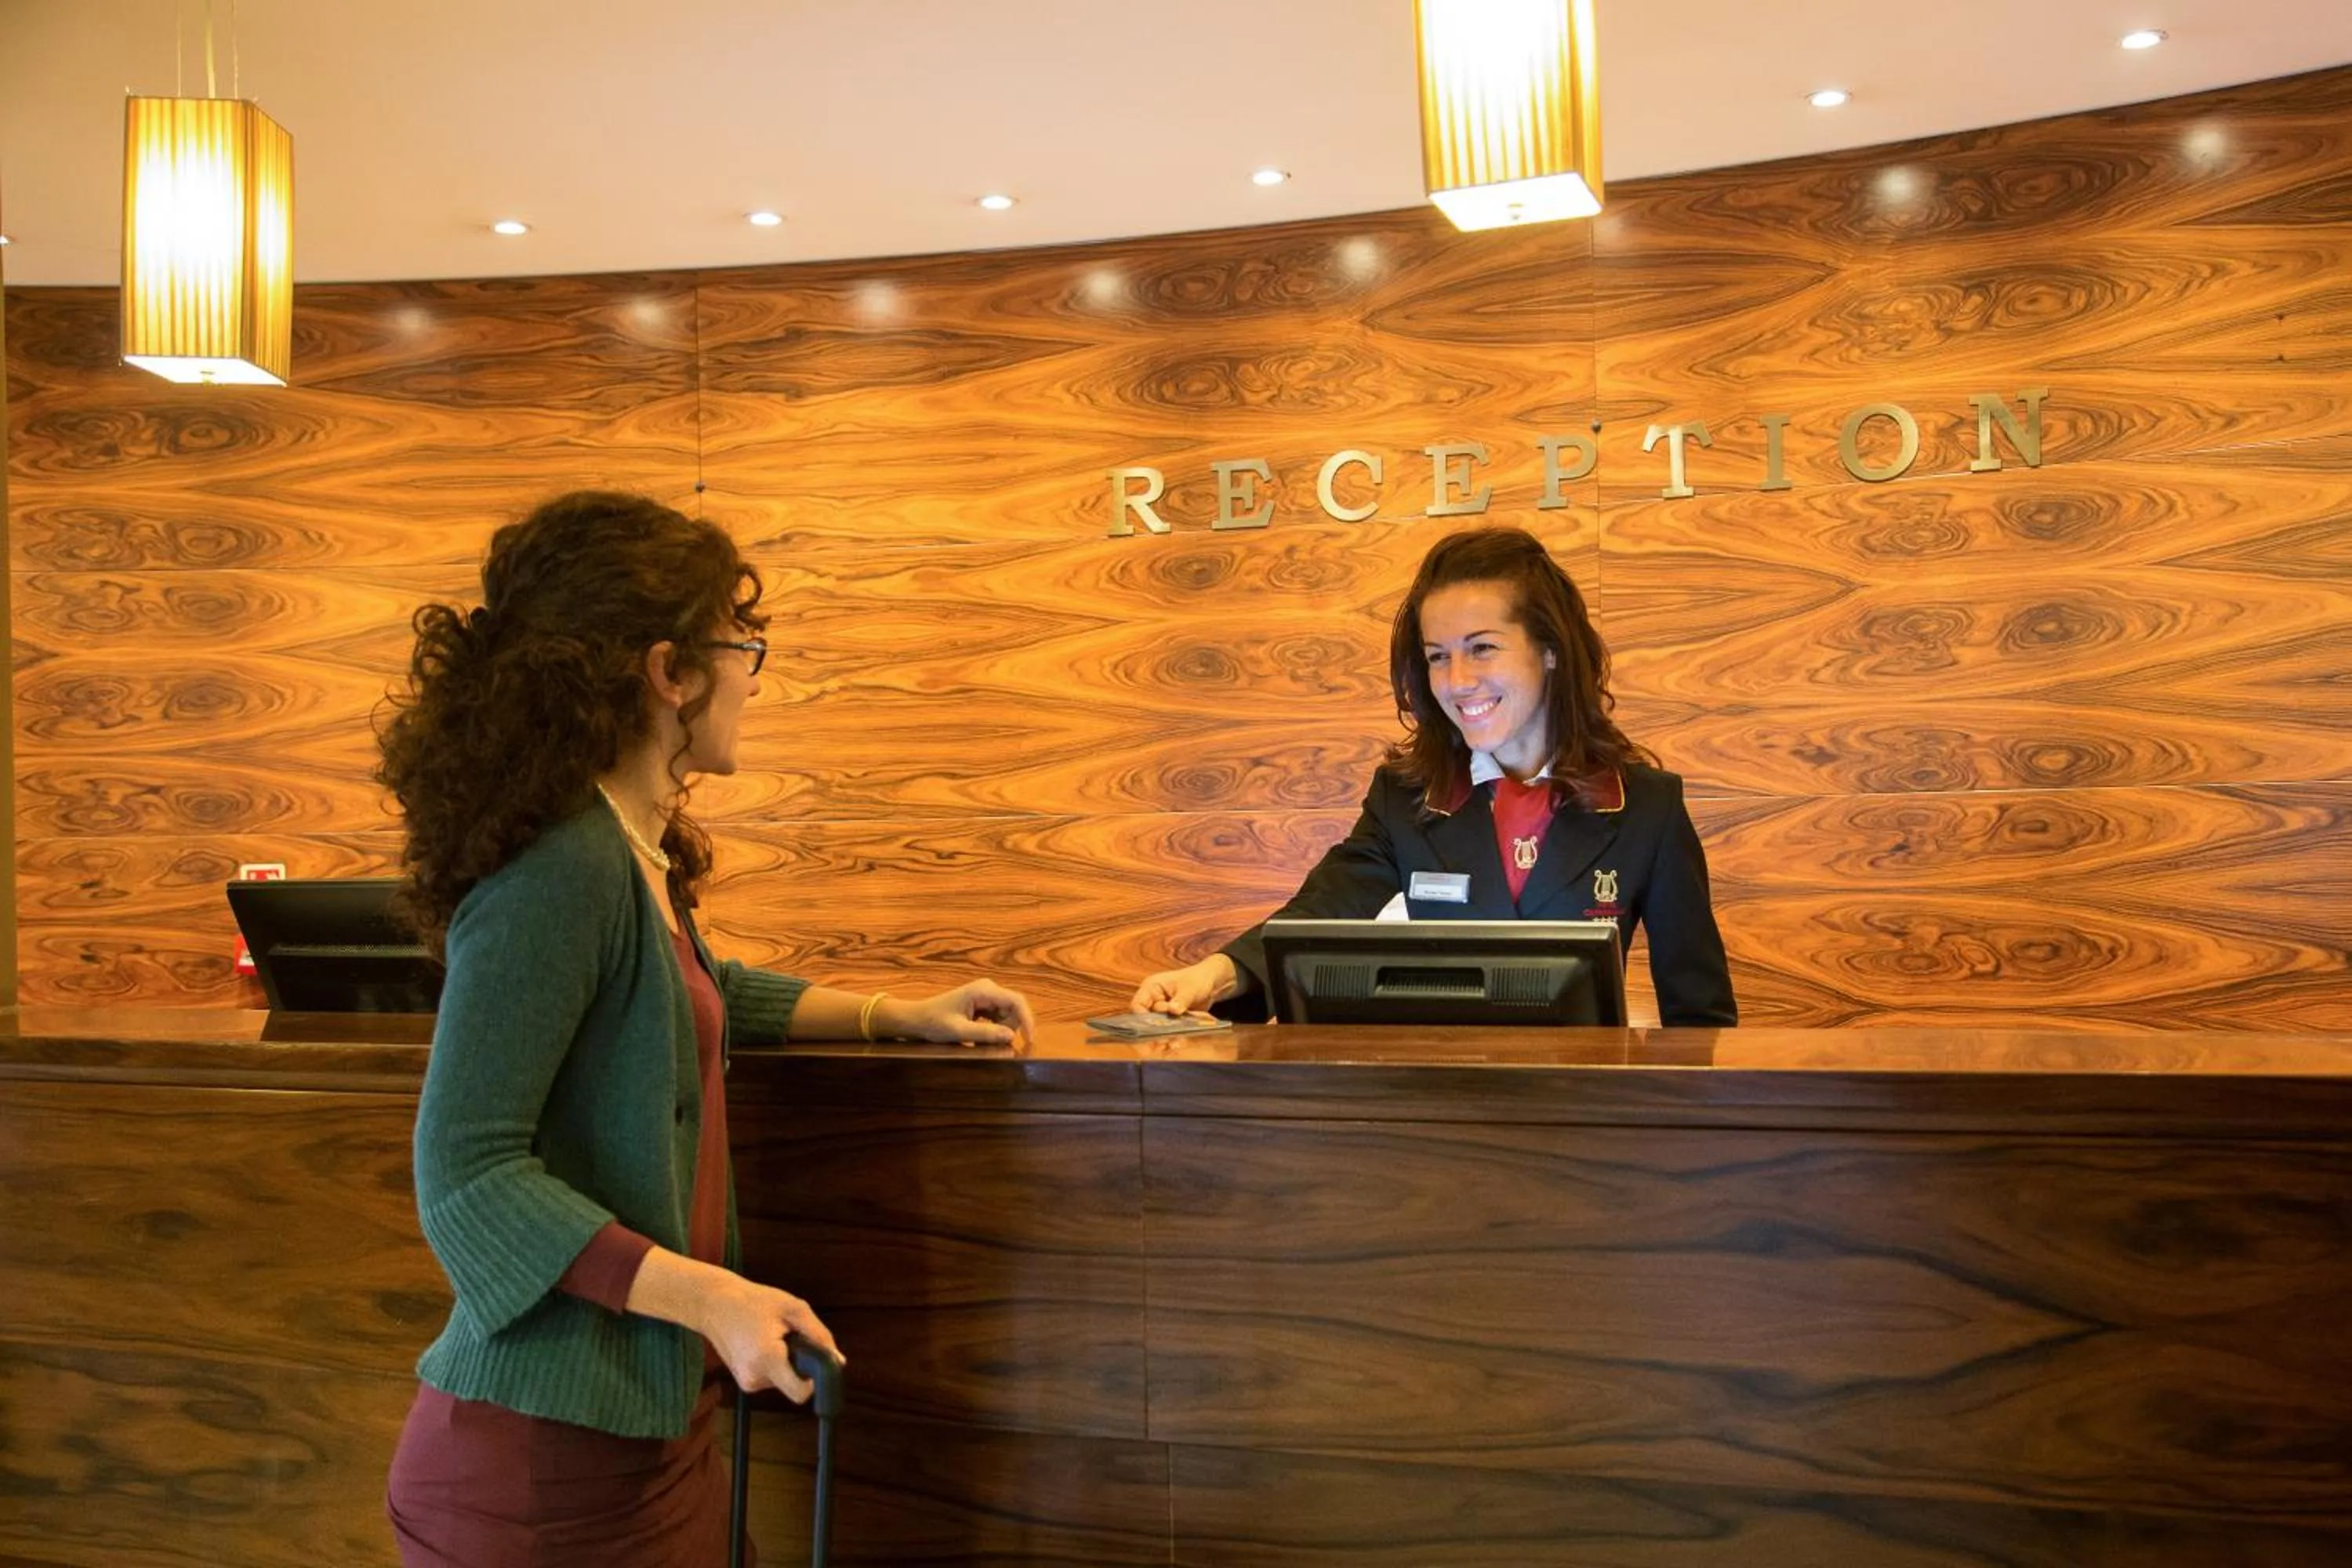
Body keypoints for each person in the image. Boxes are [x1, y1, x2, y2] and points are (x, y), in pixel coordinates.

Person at [378, 491, 1034, 1566]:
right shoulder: (564, 869)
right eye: (744, 646)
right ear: (668, 670)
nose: (753, 675)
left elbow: (697, 986)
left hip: (644, 1439)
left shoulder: (629, 851)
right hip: (542, 1476)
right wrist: (713, 1299)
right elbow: (466, 1171)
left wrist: (892, 1016)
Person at [1131, 524, 1737, 1028]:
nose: (1457, 681)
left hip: (1581, 1122)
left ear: (1550, 649)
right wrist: (1210, 976)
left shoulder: (1646, 808)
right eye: (1438, 656)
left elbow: (1701, 1018)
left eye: (1482, 648)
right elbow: (1322, 911)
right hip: (1439, 1116)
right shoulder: (1406, 799)